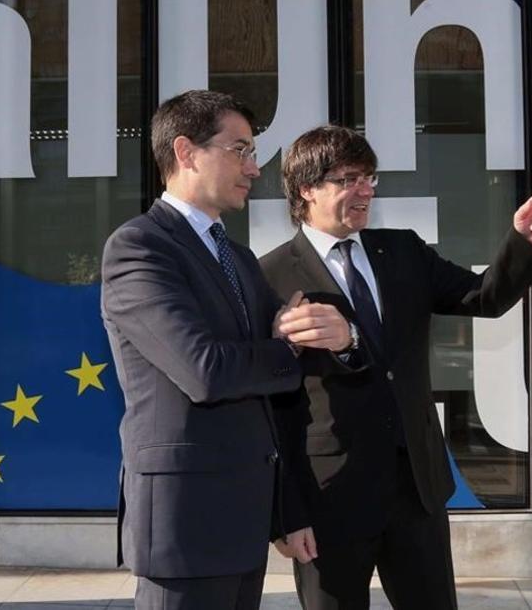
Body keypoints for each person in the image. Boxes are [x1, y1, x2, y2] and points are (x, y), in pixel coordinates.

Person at [260, 125, 532, 609]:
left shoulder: (402, 250)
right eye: (348, 179)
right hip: (329, 500)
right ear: (306, 188)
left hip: (415, 492)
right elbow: (270, 411)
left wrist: (526, 241)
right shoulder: (268, 277)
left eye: (369, 178)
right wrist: (285, 513)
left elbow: (484, 296)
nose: (365, 190)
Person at [100, 91, 357, 610]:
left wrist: (288, 511)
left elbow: (271, 396)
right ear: (186, 151)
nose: (255, 168)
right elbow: (206, 371)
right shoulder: (139, 247)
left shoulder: (236, 258)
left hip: (244, 521)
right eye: (240, 150)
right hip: (186, 526)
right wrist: (283, 348)